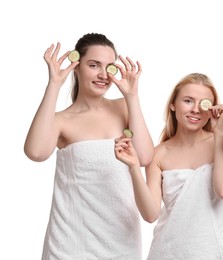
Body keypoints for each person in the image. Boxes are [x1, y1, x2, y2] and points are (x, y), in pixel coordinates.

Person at [24, 33, 154, 260]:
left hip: (121, 240)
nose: (103, 74)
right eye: (94, 65)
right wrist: (54, 84)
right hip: (70, 243)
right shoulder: (61, 120)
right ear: (77, 67)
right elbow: (35, 152)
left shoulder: (123, 107)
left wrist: (132, 96)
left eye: (110, 67)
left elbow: (144, 157)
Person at [114, 73, 223, 260]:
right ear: (173, 104)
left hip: (213, 253)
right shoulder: (159, 154)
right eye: (188, 101)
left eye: (204, 103)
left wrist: (218, 133)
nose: (196, 109)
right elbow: (150, 214)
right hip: (167, 252)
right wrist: (133, 168)